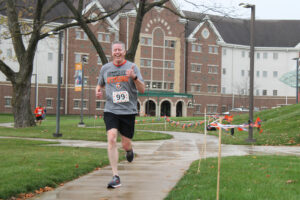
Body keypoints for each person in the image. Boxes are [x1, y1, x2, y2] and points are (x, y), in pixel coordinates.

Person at [96, 41, 145, 189]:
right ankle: (115, 176)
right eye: (115, 50)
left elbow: (142, 89)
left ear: (124, 52)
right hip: (111, 110)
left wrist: (134, 77)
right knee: (111, 138)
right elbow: (100, 84)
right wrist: (97, 90)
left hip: (128, 111)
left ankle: (129, 150)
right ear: (112, 53)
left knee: (125, 143)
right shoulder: (105, 68)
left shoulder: (132, 67)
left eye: (120, 50)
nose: (117, 52)